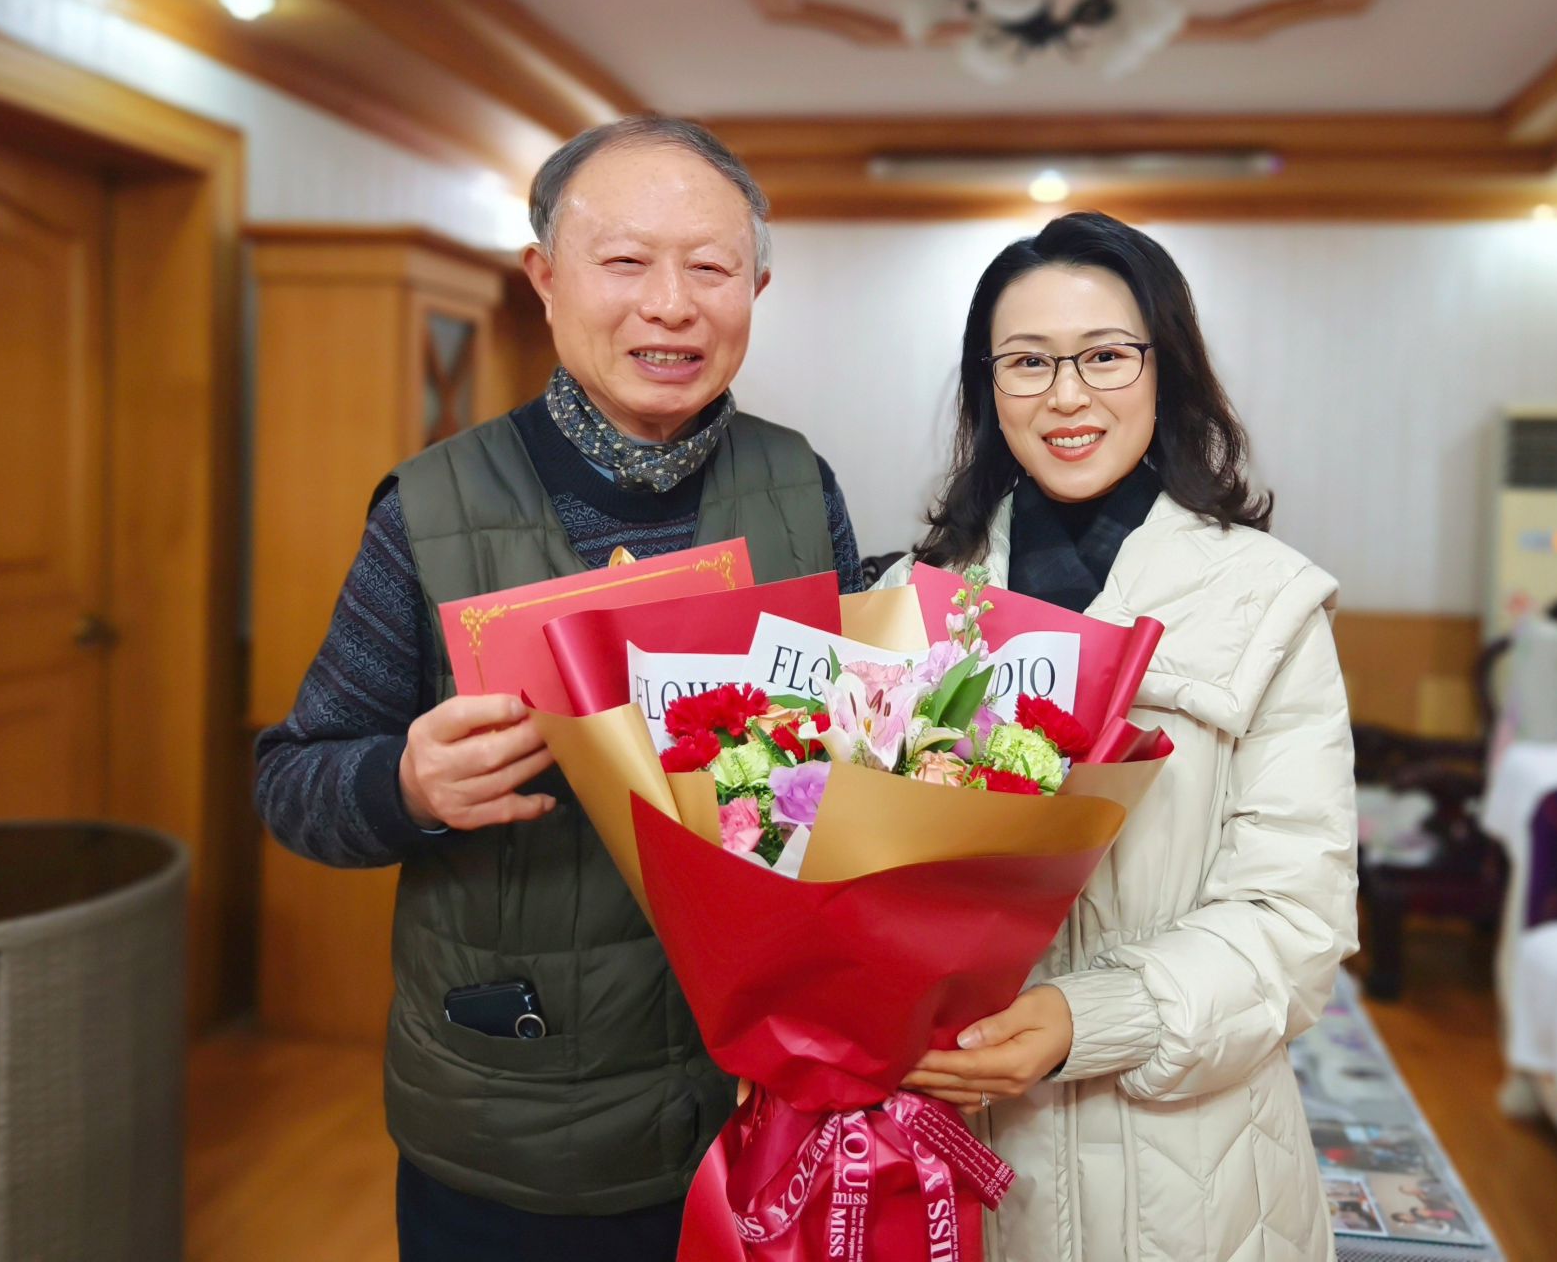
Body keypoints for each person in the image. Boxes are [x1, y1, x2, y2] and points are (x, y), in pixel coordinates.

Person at [255, 116, 864, 1261]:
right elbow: (293, 780)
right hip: (514, 1122)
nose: (669, 305)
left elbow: (851, 760)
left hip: (758, 1104)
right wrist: (405, 786)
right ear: (543, 278)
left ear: (755, 289)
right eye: (625, 261)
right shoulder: (431, 509)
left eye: (710, 268)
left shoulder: (798, 485)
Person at [886, 211, 1357, 1261]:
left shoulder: (1268, 602)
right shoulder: (908, 603)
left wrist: (1085, 1019)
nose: (1066, 396)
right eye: (1027, 362)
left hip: (1190, 1177)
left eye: (1104, 355)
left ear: (1164, 368)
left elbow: (1295, 921)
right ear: (987, 387)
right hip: (950, 1147)